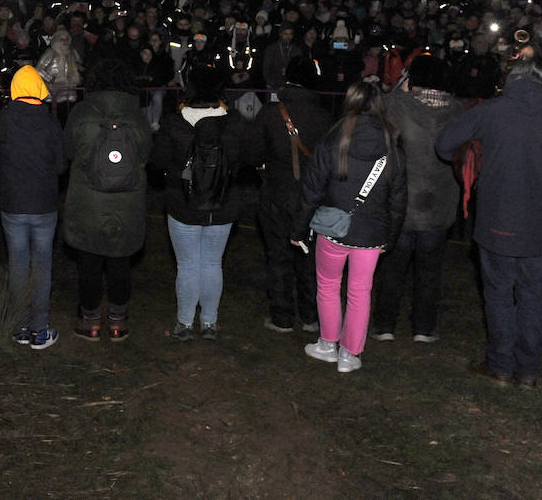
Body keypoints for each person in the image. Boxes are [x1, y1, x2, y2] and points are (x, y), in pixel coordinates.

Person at [435, 52, 542, 387]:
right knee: (532, 294)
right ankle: (528, 370)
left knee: (499, 291)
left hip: (497, 215)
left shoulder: (491, 110)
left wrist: (470, 157)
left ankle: (500, 364)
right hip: (539, 218)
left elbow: (443, 144)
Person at [293, 79, 407, 374]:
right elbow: (398, 200)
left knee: (328, 286)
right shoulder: (392, 146)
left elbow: (311, 191)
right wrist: (390, 238)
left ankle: (327, 344)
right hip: (372, 234)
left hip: (334, 230)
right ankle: (349, 354)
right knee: (360, 292)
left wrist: (298, 229)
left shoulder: (332, 141)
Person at [371, 55, 464, 343]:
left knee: (392, 268)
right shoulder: (458, 111)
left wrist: (401, 86)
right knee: (430, 270)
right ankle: (423, 328)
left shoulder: (397, 105)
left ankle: (385, 325)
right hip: (440, 203)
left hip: (402, 203)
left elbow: (379, 106)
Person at [152, 68, 247, 340]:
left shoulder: (174, 123)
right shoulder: (235, 123)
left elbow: (157, 162)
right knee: (213, 263)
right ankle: (208, 324)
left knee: (187, 265)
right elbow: (246, 159)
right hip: (223, 206)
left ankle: (184, 324)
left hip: (183, 206)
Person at [62, 59, 153, 342]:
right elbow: (145, 155)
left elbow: (68, 151)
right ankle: (117, 321)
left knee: (88, 262)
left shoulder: (82, 112)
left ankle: (89, 321)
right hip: (126, 203)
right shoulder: (137, 116)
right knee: (120, 262)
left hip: (88, 203)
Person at [0, 65, 68, 349]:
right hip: (43, 204)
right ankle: (39, 330)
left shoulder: (4, 119)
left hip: (12, 204)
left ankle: (19, 326)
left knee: (18, 263)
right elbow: (61, 165)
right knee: (42, 264)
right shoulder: (51, 122)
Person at [255, 55, 331, 335]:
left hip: (277, 193)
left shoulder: (269, 113)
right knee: (310, 257)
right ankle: (311, 317)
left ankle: (282, 317)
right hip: (312, 197)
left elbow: (252, 152)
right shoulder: (324, 117)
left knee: (278, 256)